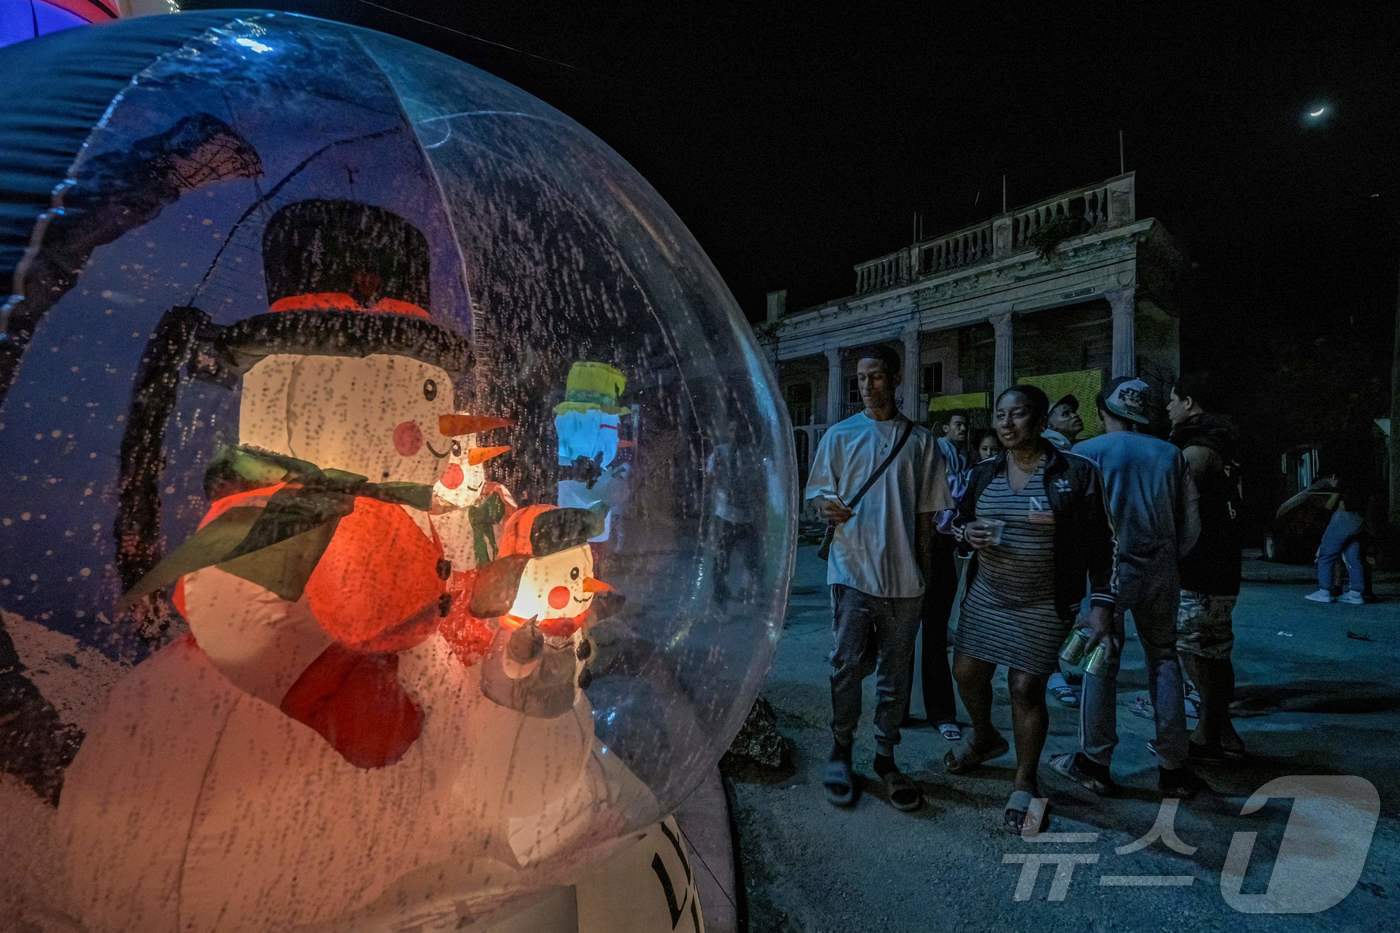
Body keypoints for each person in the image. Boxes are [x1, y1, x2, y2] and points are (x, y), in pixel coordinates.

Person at [945, 384, 1116, 835]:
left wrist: (1101, 604)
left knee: (1025, 688)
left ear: (1039, 421)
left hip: (1044, 601)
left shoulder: (1075, 472)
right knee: (966, 673)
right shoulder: (984, 472)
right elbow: (959, 519)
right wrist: (967, 533)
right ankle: (984, 736)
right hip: (987, 596)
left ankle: (1025, 781)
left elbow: (1102, 544)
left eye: (1017, 414)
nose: (1006, 423)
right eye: (1001, 415)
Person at [805, 345, 949, 812]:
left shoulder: (921, 441)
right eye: (861, 378)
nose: (867, 386)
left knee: (894, 673)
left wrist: (925, 575)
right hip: (852, 569)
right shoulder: (841, 435)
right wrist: (824, 507)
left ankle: (886, 756)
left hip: (904, 578)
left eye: (877, 376)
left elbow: (927, 518)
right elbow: (817, 495)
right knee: (846, 665)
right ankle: (841, 748)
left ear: (896, 378)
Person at [1048, 378, 1204, 798]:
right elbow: (1191, 524)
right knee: (1164, 656)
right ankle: (1174, 766)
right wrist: (1169, 555)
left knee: (1101, 659)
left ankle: (1095, 761)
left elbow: (1069, 523)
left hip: (1109, 571)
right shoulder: (1170, 454)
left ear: (1104, 411)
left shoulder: (1086, 452)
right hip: (1161, 565)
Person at [1166, 372, 1246, 761]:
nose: (1168, 407)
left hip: (1200, 567)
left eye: (1172, 400)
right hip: (1223, 565)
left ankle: (1206, 735)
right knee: (1215, 649)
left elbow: (1174, 504)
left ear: (1188, 402)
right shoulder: (1224, 444)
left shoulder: (1197, 451)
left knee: (1194, 649)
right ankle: (1222, 731)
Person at [1300, 467, 1375, 605]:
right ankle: (1356, 593)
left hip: (1343, 518)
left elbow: (1330, 505)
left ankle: (1324, 591)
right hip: (1359, 520)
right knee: (1353, 556)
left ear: (1333, 477)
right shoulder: (1362, 483)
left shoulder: (1341, 484)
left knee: (1326, 554)